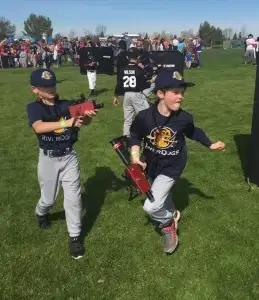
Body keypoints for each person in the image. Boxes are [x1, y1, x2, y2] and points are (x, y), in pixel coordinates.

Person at [129, 68, 225, 254]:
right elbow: (135, 135)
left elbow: (194, 132)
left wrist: (211, 145)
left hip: (173, 165)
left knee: (151, 206)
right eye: (175, 92)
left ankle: (167, 223)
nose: (180, 97)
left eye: (182, 93)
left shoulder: (184, 118)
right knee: (160, 192)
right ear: (160, 94)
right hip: (152, 163)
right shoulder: (145, 117)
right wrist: (135, 155)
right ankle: (169, 211)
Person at [26, 68, 96, 259]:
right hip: (48, 158)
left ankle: (74, 238)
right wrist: (67, 123)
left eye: (52, 84)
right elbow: (39, 127)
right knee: (49, 198)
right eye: (44, 86)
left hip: (69, 156)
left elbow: (83, 121)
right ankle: (41, 212)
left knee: (74, 199)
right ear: (35, 89)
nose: (50, 88)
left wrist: (87, 116)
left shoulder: (66, 104)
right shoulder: (35, 108)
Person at [113, 48, 151, 137]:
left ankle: (126, 138)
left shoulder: (122, 70)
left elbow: (119, 84)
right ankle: (149, 136)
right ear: (138, 57)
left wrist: (116, 96)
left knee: (127, 119)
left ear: (127, 57)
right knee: (147, 116)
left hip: (126, 95)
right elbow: (144, 85)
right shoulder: (139, 70)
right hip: (136, 94)